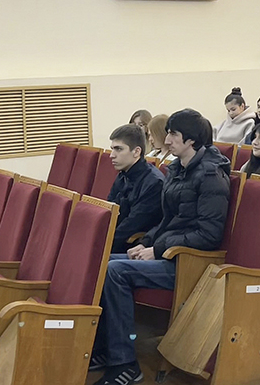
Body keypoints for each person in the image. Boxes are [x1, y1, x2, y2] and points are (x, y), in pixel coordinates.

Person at [90, 109, 229, 385]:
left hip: (191, 263)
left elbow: (209, 234)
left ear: (190, 140)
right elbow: (168, 221)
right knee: (100, 262)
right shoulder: (178, 170)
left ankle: (126, 364)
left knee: (116, 271)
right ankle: (107, 349)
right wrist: (146, 241)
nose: (166, 141)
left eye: (173, 134)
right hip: (169, 253)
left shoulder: (210, 175)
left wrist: (157, 249)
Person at [106, 124, 165, 254]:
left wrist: (100, 245)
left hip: (131, 246)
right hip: (116, 240)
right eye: (112, 149)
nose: (112, 155)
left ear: (136, 152)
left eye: (118, 149)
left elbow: (132, 225)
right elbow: (109, 210)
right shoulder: (123, 175)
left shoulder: (154, 183)